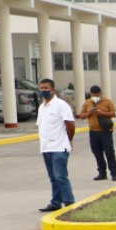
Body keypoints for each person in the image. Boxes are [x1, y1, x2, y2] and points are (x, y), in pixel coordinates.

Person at [36, 78, 76, 212]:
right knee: (53, 178)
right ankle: (56, 202)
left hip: (59, 147)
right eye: (41, 88)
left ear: (53, 90)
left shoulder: (61, 105)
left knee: (60, 177)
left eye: (46, 88)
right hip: (46, 147)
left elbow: (70, 125)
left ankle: (70, 203)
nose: (44, 90)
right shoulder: (42, 107)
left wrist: (68, 140)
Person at [76, 84, 116, 181]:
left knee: (109, 152)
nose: (95, 96)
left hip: (106, 132)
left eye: (97, 94)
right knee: (97, 153)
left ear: (100, 93)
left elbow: (115, 113)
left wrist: (102, 113)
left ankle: (114, 173)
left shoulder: (107, 101)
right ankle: (102, 173)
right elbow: (81, 116)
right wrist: (88, 113)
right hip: (93, 132)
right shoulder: (88, 102)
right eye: (93, 94)